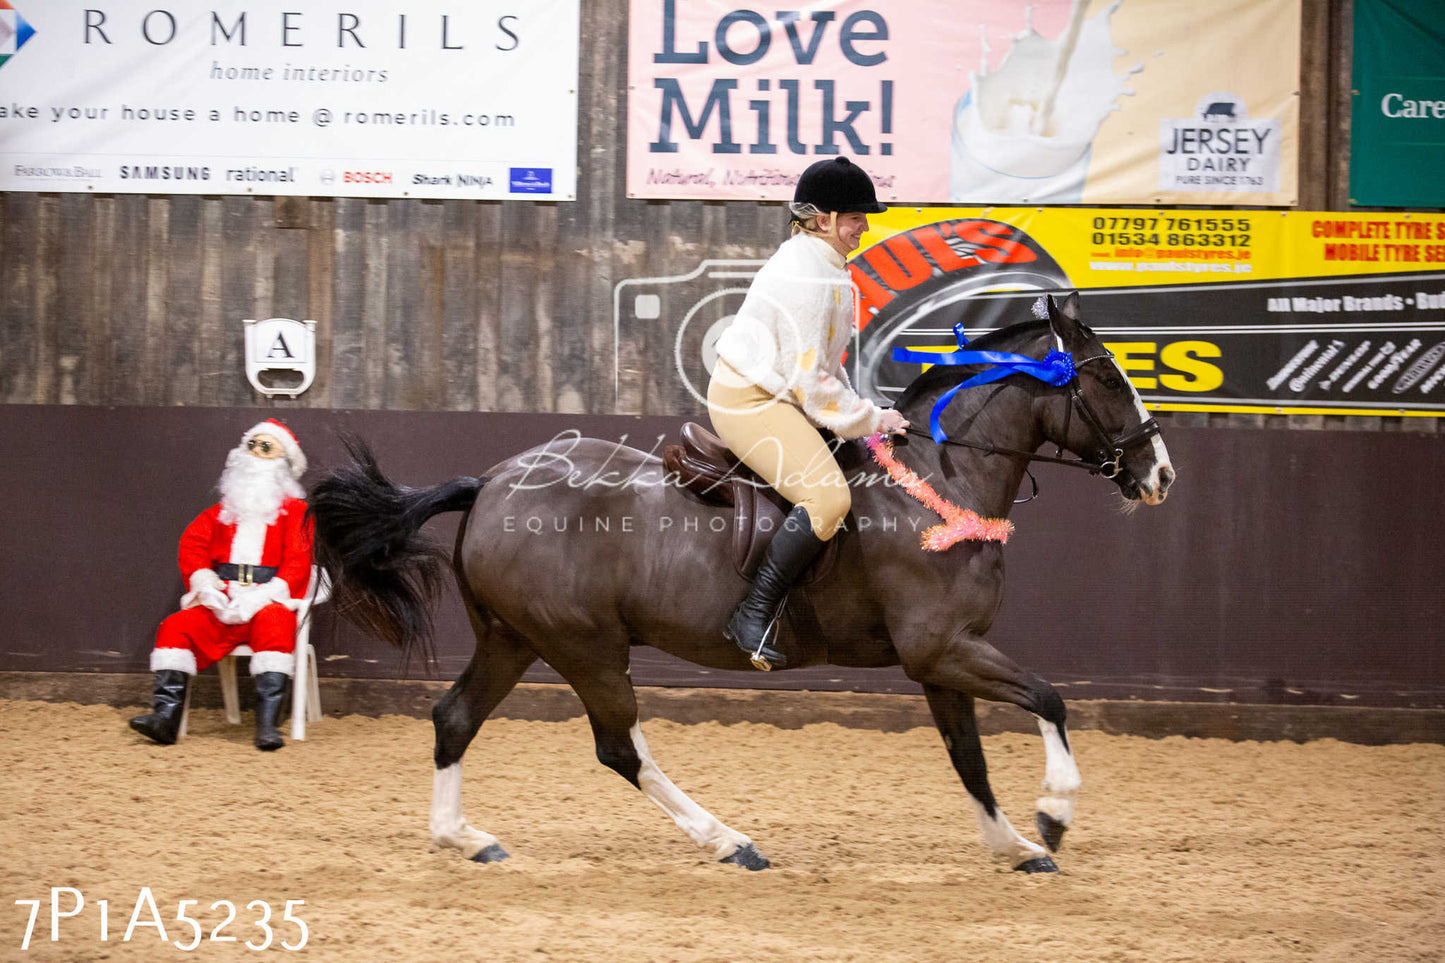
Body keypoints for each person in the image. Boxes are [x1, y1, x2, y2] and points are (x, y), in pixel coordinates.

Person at [707, 157, 909, 671]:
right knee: (827, 498)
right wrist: (869, 420)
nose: (865, 226)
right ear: (822, 220)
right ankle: (751, 614)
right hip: (750, 399)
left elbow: (825, 367)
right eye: (855, 218)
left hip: (780, 394)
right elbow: (810, 384)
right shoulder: (807, 274)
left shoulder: (826, 267)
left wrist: (866, 410)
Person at [129, 419, 314, 750]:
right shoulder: (222, 512)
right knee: (175, 627)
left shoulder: (297, 513)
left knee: (275, 622)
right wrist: (206, 584)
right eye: (251, 445)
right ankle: (165, 719)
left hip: (268, 601)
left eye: (266, 447)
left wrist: (262, 597)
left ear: (284, 463)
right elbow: (193, 545)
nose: (255, 452)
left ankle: (268, 726)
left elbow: (298, 563)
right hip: (223, 599)